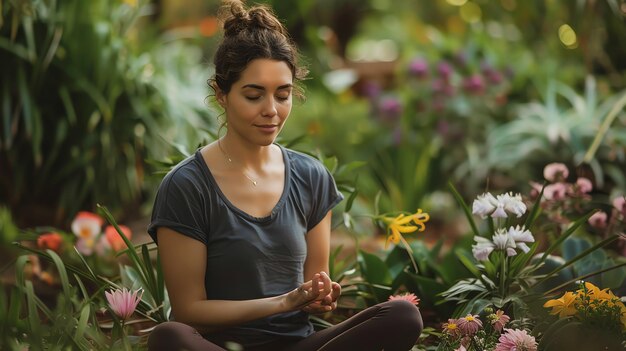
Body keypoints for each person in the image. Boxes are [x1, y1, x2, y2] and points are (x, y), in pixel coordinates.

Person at [146, 1, 423, 350]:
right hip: (222, 347)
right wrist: (283, 302)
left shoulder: (311, 177)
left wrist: (318, 295)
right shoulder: (187, 186)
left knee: (402, 315)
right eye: (253, 95)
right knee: (169, 337)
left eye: (283, 94)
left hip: (299, 346)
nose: (271, 111)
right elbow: (188, 311)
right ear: (221, 94)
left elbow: (313, 287)